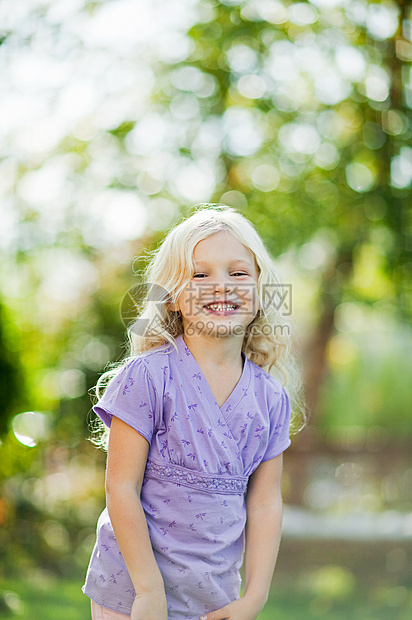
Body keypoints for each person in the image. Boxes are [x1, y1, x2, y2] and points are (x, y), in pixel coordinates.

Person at [83, 205, 304, 620]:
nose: (220, 286)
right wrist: (148, 591)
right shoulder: (146, 378)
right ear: (173, 296)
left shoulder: (271, 398)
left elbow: (264, 504)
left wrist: (253, 599)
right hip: (131, 591)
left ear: (261, 288)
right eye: (200, 275)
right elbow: (121, 489)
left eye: (238, 273)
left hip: (213, 596)